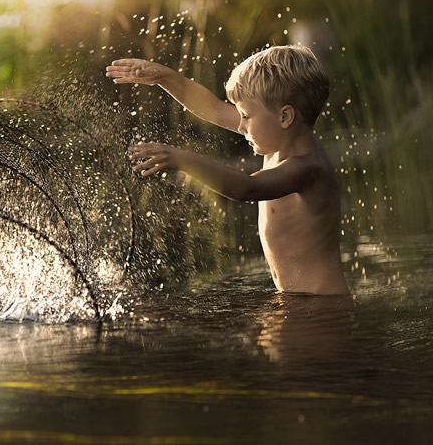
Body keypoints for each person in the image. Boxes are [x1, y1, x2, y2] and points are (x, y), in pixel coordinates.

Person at [105, 45, 350, 295]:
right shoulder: (277, 141)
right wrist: (165, 77)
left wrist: (183, 160)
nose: (240, 126)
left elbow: (247, 187)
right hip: (297, 300)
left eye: (245, 116)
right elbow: (212, 108)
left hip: (322, 304)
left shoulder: (308, 167)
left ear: (285, 117)